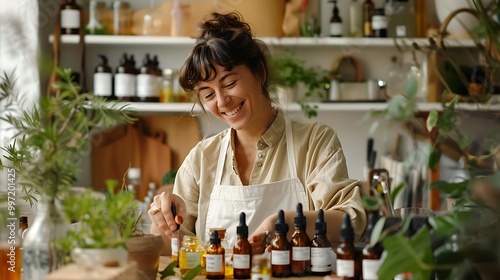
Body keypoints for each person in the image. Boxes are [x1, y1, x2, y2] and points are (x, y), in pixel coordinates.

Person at [149, 12, 367, 254]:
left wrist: (284, 224)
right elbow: (174, 249)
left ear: (259, 72)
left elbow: (350, 219)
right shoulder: (201, 158)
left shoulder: (315, 141)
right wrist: (164, 220)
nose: (222, 102)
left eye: (230, 83)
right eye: (208, 94)